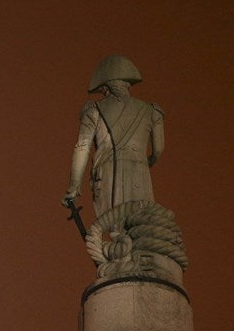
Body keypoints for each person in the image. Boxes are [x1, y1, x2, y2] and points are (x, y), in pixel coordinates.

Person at [62, 55, 164, 218]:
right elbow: (158, 150)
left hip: (108, 174)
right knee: (141, 230)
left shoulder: (93, 110)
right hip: (140, 173)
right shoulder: (152, 111)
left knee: (115, 230)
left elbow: (83, 147)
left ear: (107, 86)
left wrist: (74, 185)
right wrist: (147, 161)